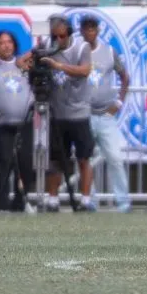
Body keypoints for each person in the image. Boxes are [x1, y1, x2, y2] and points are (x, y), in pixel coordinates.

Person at [79, 16, 131, 212]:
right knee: (86, 160)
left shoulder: (109, 51)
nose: (90, 32)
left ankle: (123, 202)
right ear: (82, 31)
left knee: (115, 158)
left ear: (98, 31)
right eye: (87, 28)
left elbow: (124, 76)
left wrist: (119, 101)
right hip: (84, 114)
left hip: (106, 115)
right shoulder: (77, 52)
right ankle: (89, 200)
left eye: (93, 28)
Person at [45, 16, 95, 212]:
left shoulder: (81, 48)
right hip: (58, 114)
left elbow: (84, 70)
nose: (59, 39)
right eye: (55, 36)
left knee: (84, 158)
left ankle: (85, 199)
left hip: (78, 113)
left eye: (62, 35)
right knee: (57, 159)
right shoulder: (49, 47)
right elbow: (29, 58)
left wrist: (59, 66)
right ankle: (52, 199)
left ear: (69, 34)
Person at [0, 31, 35, 213]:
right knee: (6, 162)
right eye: (2, 42)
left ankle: (20, 203)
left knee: (26, 163)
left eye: (9, 42)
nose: (6, 45)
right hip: (3, 125)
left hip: (25, 123)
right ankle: (1, 204)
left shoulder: (23, 64)